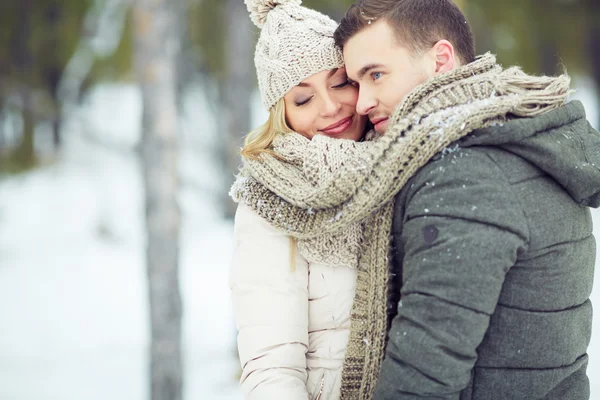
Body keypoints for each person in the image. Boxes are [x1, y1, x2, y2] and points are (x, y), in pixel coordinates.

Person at [332, 0, 600, 399]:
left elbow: (425, 367)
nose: (362, 102)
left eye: (376, 74)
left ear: (441, 59)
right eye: (357, 82)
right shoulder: (519, 135)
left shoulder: (462, 175)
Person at [230, 1, 368, 399]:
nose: (331, 107)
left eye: (340, 82)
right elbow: (271, 367)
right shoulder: (270, 202)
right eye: (304, 100)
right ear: (282, 116)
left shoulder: (404, 159)